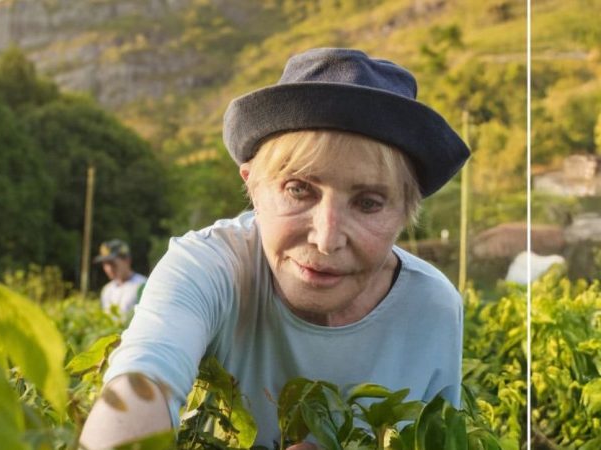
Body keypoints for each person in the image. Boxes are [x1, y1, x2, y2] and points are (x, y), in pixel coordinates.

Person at [80, 48, 469, 448]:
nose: (326, 238)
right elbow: (144, 381)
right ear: (252, 186)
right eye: (299, 190)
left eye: (368, 203)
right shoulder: (209, 267)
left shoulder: (432, 308)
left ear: (405, 213)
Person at [93, 239, 147, 315]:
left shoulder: (143, 285)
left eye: (112, 263)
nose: (109, 268)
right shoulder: (107, 290)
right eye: (105, 264)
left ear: (127, 260)